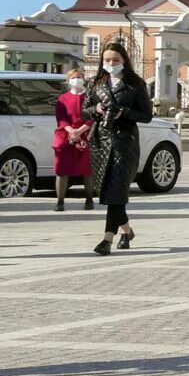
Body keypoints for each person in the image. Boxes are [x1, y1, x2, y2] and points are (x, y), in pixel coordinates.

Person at [84, 43, 152, 256]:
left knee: (117, 190)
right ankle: (127, 231)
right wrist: (95, 109)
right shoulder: (96, 83)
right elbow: (84, 110)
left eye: (115, 60)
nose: (110, 64)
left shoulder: (135, 84)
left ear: (124, 61)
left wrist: (125, 113)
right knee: (108, 192)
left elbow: (147, 115)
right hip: (101, 142)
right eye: (107, 61)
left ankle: (107, 239)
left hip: (125, 143)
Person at [53, 67, 94, 213]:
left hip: (85, 134)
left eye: (79, 77)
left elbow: (92, 118)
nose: (76, 80)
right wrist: (71, 131)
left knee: (87, 169)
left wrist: (80, 131)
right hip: (65, 135)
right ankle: (60, 201)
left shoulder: (89, 97)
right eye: (73, 77)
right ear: (68, 81)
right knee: (62, 169)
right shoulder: (63, 98)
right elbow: (61, 119)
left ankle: (89, 199)